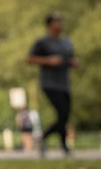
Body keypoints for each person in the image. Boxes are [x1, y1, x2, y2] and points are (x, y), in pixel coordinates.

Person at [27, 12, 78, 157]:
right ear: (50, 25)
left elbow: (69, 59)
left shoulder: (66, 42)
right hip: (49, 83)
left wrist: (72, 63)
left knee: (65, 115)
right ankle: (56, 143)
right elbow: (30, 59)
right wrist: (48, 61)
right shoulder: (43, 42)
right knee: (62, 113)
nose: (60, 25)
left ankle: (50, 139)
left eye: (61, 21)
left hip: (64, 83)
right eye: (57, 22)